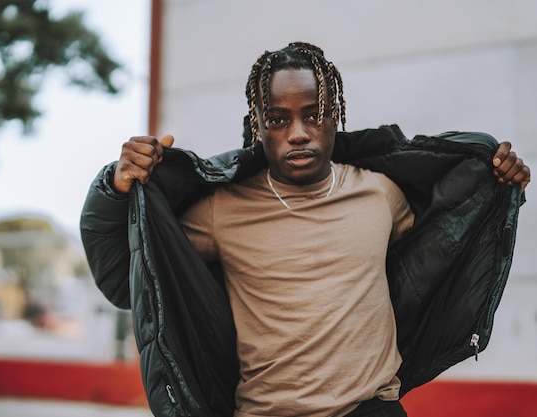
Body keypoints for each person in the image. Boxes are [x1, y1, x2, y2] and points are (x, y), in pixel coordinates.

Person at [80, 42, 531, 417]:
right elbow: (136, 281)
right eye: (278, 119)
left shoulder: (380, 194)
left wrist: (494, 181)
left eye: (313, 114)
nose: (298, 132)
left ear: (335, 115)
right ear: (259, 128)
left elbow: (441, 238)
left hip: (372, 408)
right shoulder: (221, 210)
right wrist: (115, 190)